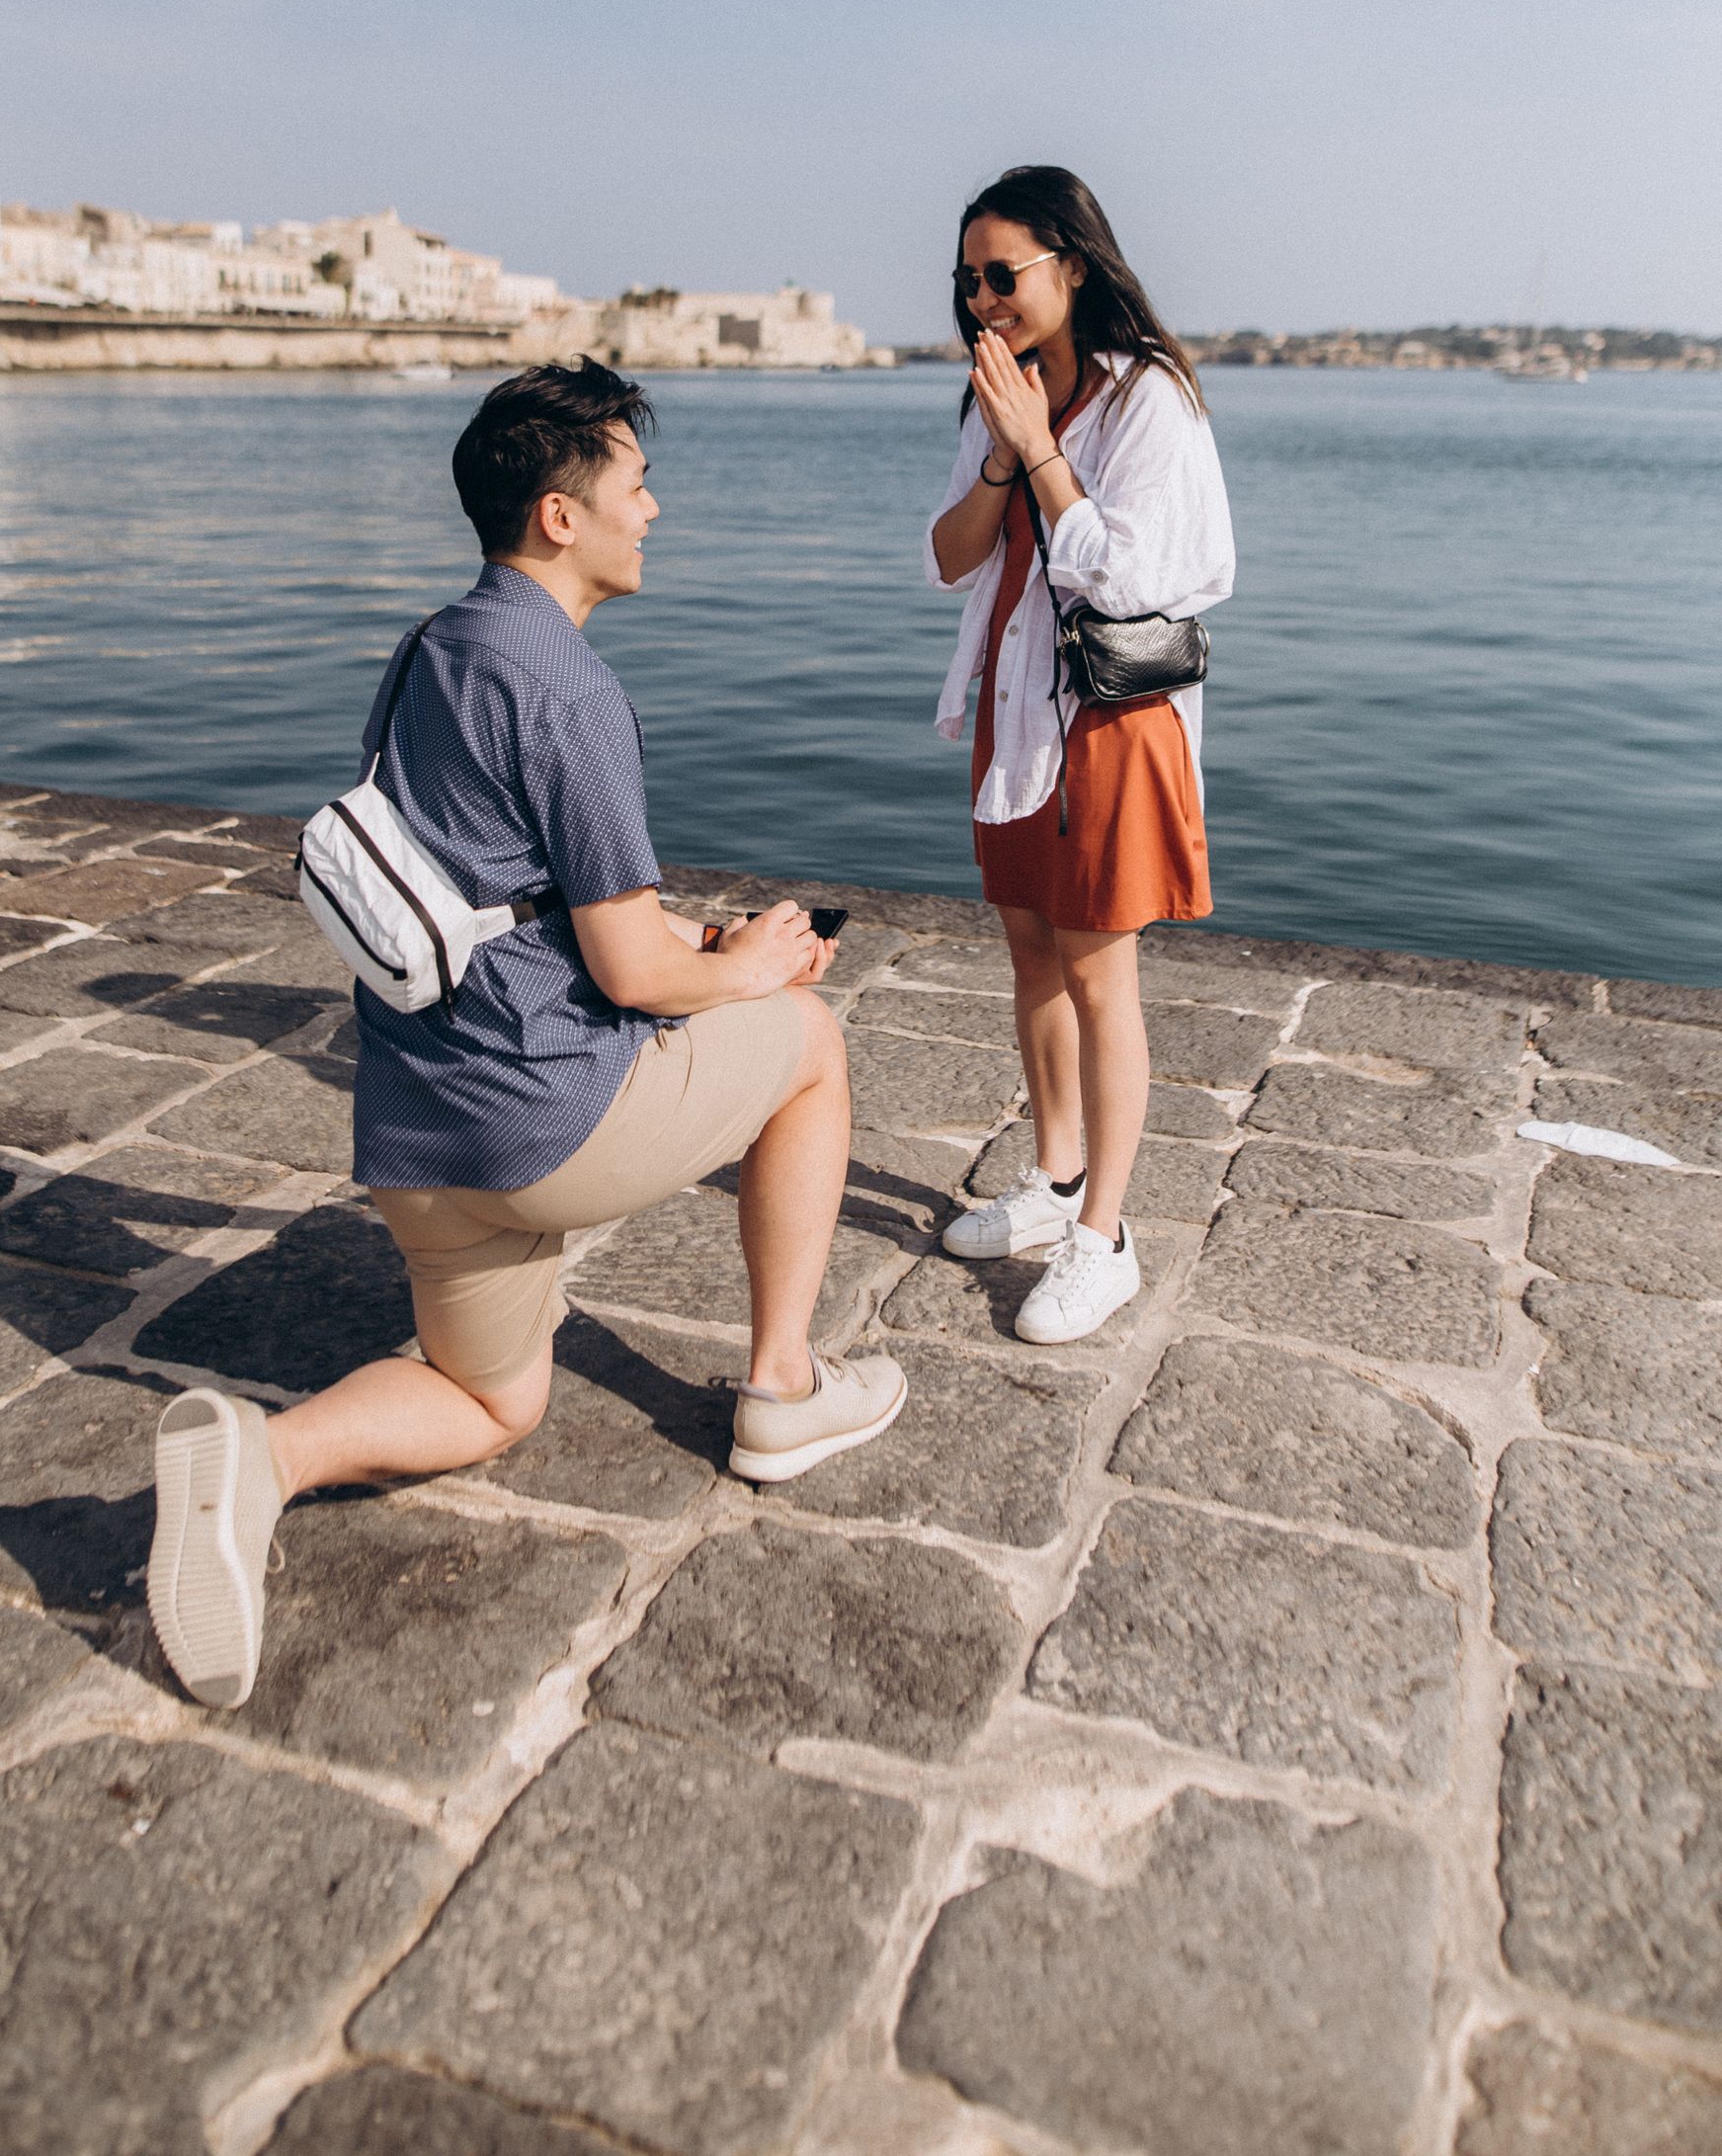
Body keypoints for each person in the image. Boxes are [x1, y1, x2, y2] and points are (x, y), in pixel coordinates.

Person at [147, 358, 905, 1708]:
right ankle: (784, 1388)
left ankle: (260, 1464)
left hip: (412, 1143)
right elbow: (630, 965)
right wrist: (756, 967)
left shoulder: (432, 647)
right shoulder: (569, 690)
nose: (654, 509)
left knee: (497, 1401)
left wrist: (692, 956)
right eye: (636, 480)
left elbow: (490, 885)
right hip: (538, 1128)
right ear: (563, 512)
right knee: (809, 1041)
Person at [927, 166, 1233, 1344]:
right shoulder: (993, 400)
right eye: (966, 283)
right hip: (1013, 708)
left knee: (1101, 975)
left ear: (1072, 264)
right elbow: (950, 557)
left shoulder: (1145, 398)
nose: (982, 301)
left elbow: (1132, 575)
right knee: (1028, 951)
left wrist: (1038, 451)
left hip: (1110, 719)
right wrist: (1004, 450)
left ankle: (1104, 1237)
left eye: (1000, 276)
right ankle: (1055, 1184)